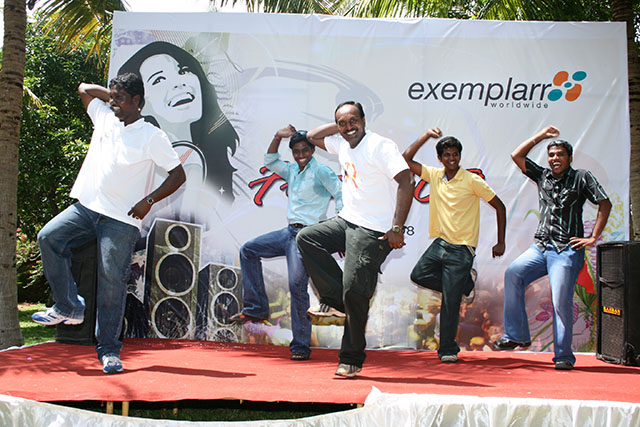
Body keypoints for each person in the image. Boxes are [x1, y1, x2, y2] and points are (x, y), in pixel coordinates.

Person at [32, 73, 186, 374]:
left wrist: (149, 201)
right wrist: (114, 95)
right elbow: (84, 88)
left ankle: (109, 351)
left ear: (137, 101)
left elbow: (178, 175)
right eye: (112, 98)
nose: (113, 103)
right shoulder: (105, 117)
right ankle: (68, 306)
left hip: (121, 219)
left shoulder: (152, 136)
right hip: (88, 208)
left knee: (111, 282)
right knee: (48, 237)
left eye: (120, 99)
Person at [296, 101, 414, 378]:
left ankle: (351, 358)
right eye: (342, 123)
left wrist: (397, 228)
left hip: (374, 230)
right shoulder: (342, 144)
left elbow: (407, 181)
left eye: (353, 121)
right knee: (307, 238)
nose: (349, 127)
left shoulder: (380, 146)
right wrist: (338, 125)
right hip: (347, 221)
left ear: (364, 120)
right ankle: (336, 300)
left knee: (355, 291)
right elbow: (311, 136)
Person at [493, 125, 611, 370]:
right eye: (552, 155)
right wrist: (540, 136)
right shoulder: (542, 176)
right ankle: (517, 335)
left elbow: (604, 203)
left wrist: (593, 237)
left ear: (570, 158)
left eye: (560, 155)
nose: (555, 158)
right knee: (513, 273)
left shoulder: (582, 177)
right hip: (541, 247)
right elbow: (516, 156)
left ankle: (563, 356)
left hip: (566, 250)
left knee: (560, 301)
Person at [230, 126, 342, 361]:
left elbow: (341, 195)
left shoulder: (321, 171)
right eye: (296, 151)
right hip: (289, 232)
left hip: (307, 236)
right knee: (248, 250)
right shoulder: (292, 170)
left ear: (312, 150)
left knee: (296, 287)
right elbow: (270, 161)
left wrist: (340, 233)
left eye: (305, 150)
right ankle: (256, 308)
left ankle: (300, 346)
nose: (301, 155)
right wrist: (277, 136)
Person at [403, 128, 506, 363]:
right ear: (439, 158)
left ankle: (448, 349)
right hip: (440, 243)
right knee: (418, 275)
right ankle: (465, 284)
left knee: (450, 302)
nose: (451, 159)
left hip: (462, 248)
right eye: (447, 155)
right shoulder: (435, 175)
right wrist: (425, 136)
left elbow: (500, 207)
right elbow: (406, 159)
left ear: (460, 156)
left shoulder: (472, 180)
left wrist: (500, 241)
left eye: (455, 154)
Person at [119, 41, 239, 201]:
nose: (179, 83)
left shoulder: (215, 157)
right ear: (138, 102)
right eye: (159, 79)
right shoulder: (140, 159)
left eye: (184, 71)